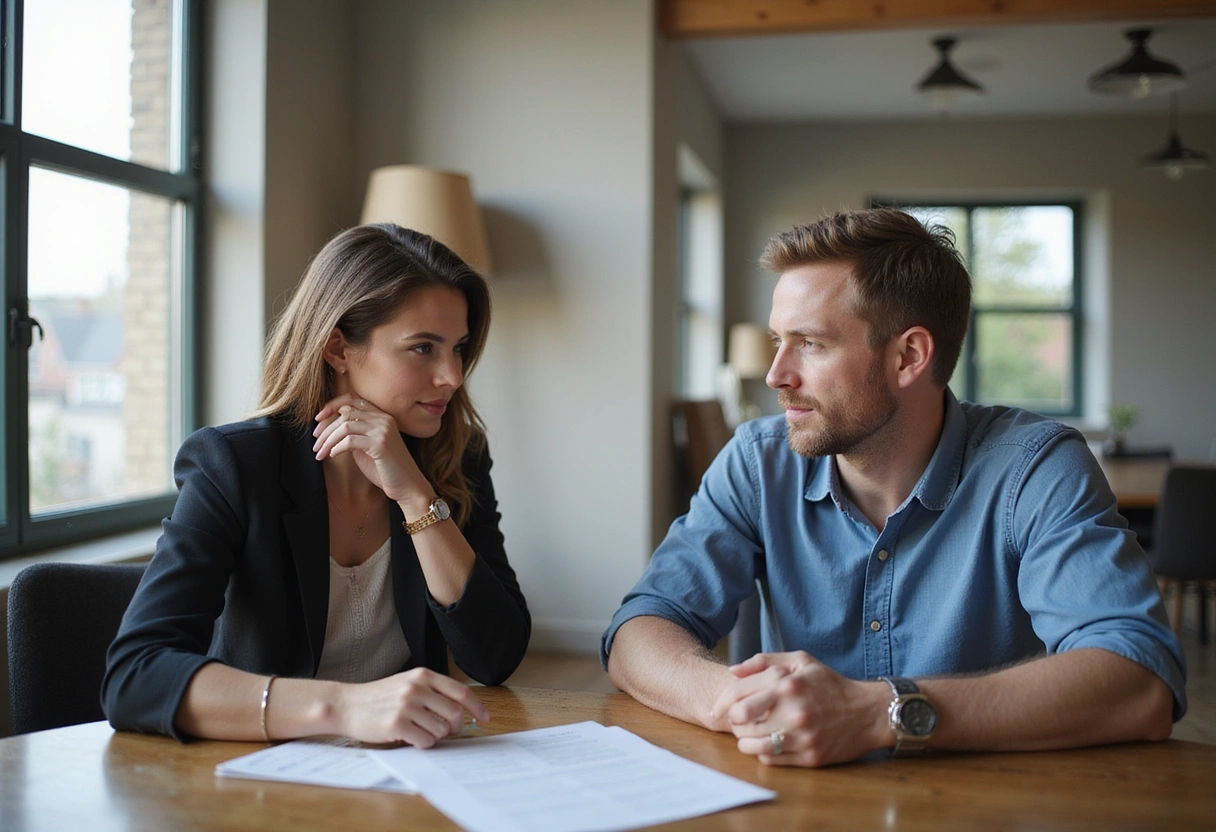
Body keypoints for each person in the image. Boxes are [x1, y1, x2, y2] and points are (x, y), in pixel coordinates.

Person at [601, 207, 1185, 768]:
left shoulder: (1034, 469)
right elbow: (640, 630)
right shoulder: (758, 462)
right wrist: (730, 700)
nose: (777, 374)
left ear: (908, 356)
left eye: (810, 343)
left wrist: (883, 712)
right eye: (779, 340)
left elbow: (1141, 679)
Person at [104, 223, 530, 746]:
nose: (453, 376)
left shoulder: (456, 459)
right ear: (337, 349)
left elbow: (496, 656)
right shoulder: (235, 465)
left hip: (406, 779)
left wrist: (417, 497)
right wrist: (343, 708)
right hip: (255, 779)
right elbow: (135, 675)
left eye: (458, 348)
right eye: (423, 348)